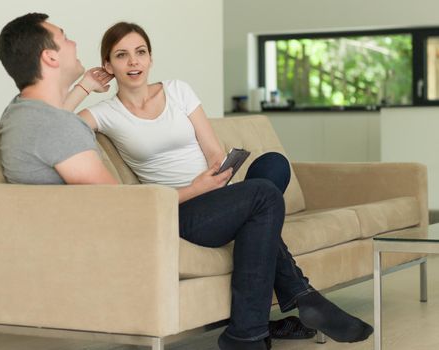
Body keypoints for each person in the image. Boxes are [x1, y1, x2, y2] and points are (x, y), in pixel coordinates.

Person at [71, 22, 374, 350]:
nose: (133, 62)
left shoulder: (178, 90)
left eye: (140, 52)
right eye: (122, 55)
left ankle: (252, 329)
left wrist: (220, 174)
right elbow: (51, 125)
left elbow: (213, 150)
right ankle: (292, 302)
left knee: (273, 165)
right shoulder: (105, 114)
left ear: (151, 58)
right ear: (108, 66)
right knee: (264, 197)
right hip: (179, 210)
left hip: (215, 193)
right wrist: (84, 86)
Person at [0, 12, 117, 186]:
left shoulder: (18, 111)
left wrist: (86, 86)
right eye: (65, 38)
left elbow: (54, 119)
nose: (74, 43)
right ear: (50, 57)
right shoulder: (55, 126)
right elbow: (120, 201)